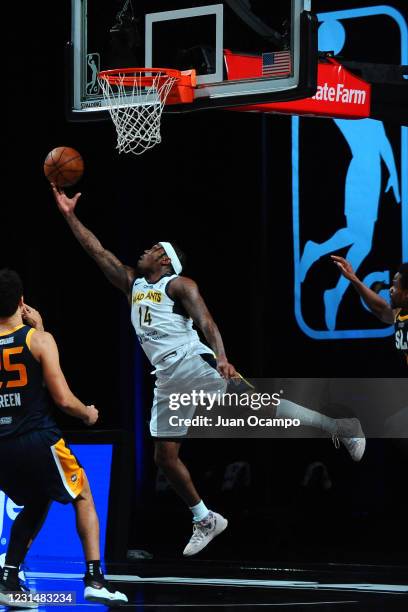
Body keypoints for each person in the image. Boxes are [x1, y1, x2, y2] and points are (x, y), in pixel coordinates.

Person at [51, 188, 366, 556]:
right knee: (164, 458)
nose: (146, 250)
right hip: (167, 378)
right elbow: (96, 250)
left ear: (166, 261)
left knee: (262, 408)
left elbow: (206, 320)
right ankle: (205, 518)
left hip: (194, 362)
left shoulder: (180, 285)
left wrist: (221, 357)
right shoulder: (132, 283)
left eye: (155, 248)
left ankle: (340, 427)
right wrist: (69, 214)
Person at [0, 269, 127, 608]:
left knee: (38, 501)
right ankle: (95, 579)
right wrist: (87, 413)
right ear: (22, 301)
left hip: (2, 445)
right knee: (82, 493)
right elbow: (61, 399)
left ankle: (9, 579)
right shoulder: (39, 340)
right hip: (38, 438)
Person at [332, 256, 408, 366]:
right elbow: (380, 308)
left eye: (395, 286)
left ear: (406, 294)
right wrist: (353, 278)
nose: (391, 289)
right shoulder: (400, 315)